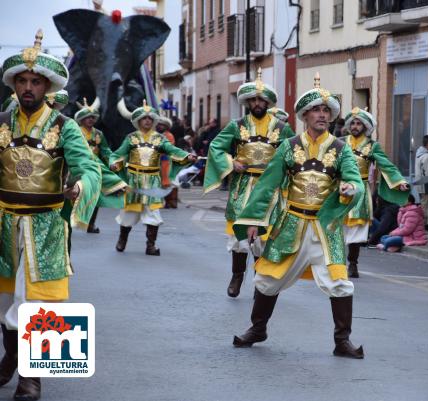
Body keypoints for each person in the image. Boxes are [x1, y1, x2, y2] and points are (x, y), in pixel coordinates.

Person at [231, 73, 365, 358]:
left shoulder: (342, 150)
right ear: (304, 115)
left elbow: (355, 180)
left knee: (339, 284)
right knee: (267, 279)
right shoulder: (288, 146)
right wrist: (254, 221)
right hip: (290, 224)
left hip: (326, 228)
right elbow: (267, 184)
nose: (322, 115)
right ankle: (258, 328)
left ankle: (342, 342)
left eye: (326, 110)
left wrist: (350, 188)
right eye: (316, 109)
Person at [0, 30, 101, 401]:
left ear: (47, 86)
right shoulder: (1, 122)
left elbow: (88, 168)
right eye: (23, 81)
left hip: (45, 224)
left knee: (39, 302)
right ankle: (10, 358)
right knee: (6, 302)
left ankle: (32, 378)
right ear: (15, 84)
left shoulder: (65, 126)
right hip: (3, 221)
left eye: (35, 81)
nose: (28, 87)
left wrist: (80, 186)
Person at [203, 69, 295, 298]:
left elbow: (295, 154)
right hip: (242, 187)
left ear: (268, 102)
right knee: (239, 237)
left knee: (264, 238)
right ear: (247, 101)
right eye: (252, 99)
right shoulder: (236, 125)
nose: (257, 103)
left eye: (261, 99)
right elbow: (216, 147)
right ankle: (237, 275)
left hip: (270, 190)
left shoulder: (283, 129)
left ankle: (260, 282)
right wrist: (230, 162)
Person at [111, 101, 195, 255]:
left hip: (152, 182)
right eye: (144, 118)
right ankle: (122, 240)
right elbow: (118, 155)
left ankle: (151, 245)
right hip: (134, 181)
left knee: (153, 215)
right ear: (138, 121)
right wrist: (115, 164)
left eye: (150, 118)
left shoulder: (160, 139)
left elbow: (171, 150)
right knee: (128, 215)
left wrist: (186, 156)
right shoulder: (131, 138)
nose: (147, 120)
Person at [342, 107, 409, 278]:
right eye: (353, 123)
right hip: (340, 190)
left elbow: (386, 165)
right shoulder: (340, 142)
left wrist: (399, 181)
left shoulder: (372, 146)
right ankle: (336, 263)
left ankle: (353, 264)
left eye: (359, 123)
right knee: (337, 230)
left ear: (364, 127)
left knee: (356, 232)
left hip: (359, 192)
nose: (355, 126)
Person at [74, 98, 126, 233]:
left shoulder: (98, 134)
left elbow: (105, 151)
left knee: (95, 195)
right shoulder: (74, 131)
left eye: (92, 117)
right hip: (77, 166)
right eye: (87, 117)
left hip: (94, 168)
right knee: (73, 194)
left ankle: (91, 224)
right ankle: (69, 222)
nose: (90, 120)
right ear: (81, 119)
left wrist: (113, 161)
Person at [413, 135, 428, 231]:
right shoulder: (427, 157)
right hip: (426, 186)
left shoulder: (419, 155)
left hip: (421, 185)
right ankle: (422, 225)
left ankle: (424, 224)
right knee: (425, 207)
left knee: (423, 205)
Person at [156, 115, 179, 209]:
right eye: (159, 124)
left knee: (170, 182)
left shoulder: (169, 135)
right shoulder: (157, 135)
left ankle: (172, 201)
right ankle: (165, 201)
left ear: (166, 126)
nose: (159, 126)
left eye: (161, 125)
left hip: (167, 161)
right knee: (161, 182)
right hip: (159, 161)